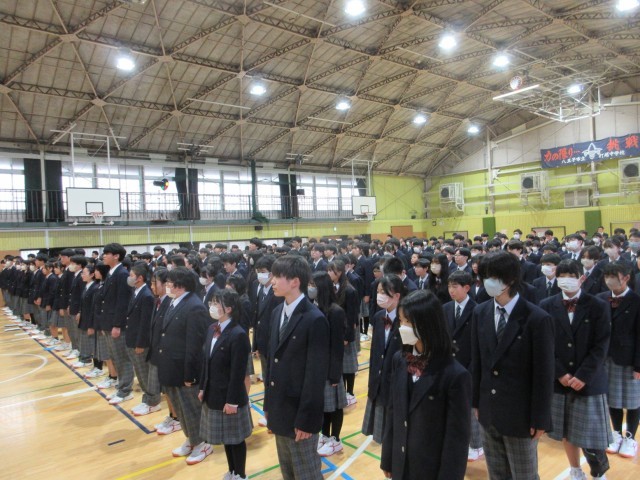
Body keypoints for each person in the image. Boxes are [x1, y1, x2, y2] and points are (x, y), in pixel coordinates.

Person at [471, 250, 554, 480]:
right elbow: (477, 362)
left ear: (511, 279)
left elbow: (544, 374)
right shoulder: (480, 312)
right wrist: (476, 401)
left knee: (524, 475)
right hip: (488, 411)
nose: (487, 282)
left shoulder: (537, 318)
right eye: (484, 276)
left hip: (521, 415)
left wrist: (540, 417)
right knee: (497, 474)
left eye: (493, 276)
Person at [381, 290, 471, 480]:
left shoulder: (455, 375)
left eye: (408, 322)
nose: (402, 327)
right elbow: (393, 410)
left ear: (426, 324)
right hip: (401, 463)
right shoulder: (399, 360)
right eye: (401, 321)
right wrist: (388, 457)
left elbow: (457, 438)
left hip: (430, 468)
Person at [540, 260, 612, 480]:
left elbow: (601, 345)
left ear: (582, 278)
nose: (566, 280)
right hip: (560, 381)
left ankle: (599, 471)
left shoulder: (598, 305)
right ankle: (575, 470)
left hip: (589, 379)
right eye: (562, 275)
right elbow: (544, 344)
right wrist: (560, 373)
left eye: (571, 275)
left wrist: (583, 375)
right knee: (567, 431)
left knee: (592, 433)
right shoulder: (546, 305)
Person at [263, 255, 330, 480]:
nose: (272, 281)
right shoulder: (277, 312)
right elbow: (272, 364)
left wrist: (306, 420)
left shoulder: (314, 319)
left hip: (300, 414)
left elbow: (315, 376)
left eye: (277, 276)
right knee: (288, 471)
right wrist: (268, 404)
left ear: (294, 281)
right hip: (280, 409)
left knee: (306, 473)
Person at [153, 267, 212, 465]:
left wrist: (190, 374)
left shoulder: (194, 306)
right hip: (171, 366)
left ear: (180, 285)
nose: (167, 285)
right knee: (180, 409)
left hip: (185, 370)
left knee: (191, 409)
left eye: (170, 282)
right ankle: (191, 438)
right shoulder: (173, 301)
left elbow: (195, 345)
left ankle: (202, 443)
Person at [199, 289, 252, 480]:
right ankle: (232, 471)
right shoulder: (211, 329)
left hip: (231, 396)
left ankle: (241, 474)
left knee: (236, 439)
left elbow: (238, 373)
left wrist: (232, 401)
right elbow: (206, 361)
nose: (212, 306)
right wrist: (203, 387)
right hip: (214, 393)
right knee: (226, 438)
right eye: (211, 302)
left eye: (216, 303)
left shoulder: (238, 334)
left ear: (228, 309)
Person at [598, 262, 640, 460]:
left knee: (633, 400)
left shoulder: (637, 301)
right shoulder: (601, 299)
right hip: (606, 356)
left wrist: (639, 364)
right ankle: (616, 433)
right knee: (612, 398)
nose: (609, 280)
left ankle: (630, 436)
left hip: (629, 358)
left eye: (613, 276)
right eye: (607, 276)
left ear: (626, 278)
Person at [362, 275, 407, 443]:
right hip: (378, 381)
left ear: (396, 296)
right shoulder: (378, 316)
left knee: (395, 435)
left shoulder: (407, 320)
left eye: (384, 292)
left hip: (396, 381)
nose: (379, 295)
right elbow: (375, 352)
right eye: (378, 291)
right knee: (381, 435)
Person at [444, 271, 483, 462]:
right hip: (450, 366)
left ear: (467, 288)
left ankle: (477, 445)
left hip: (469, 366)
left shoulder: (478, 310)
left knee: (471, 408)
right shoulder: (445, 308)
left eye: (455, 286)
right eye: (449, 286)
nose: (451, 290)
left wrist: (471, 368)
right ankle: (458, 441)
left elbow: (480, 344)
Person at [311, 271, 347, 457]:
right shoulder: (314, 308)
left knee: (335, 406)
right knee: (323, 405)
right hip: (318, 366)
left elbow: (337, 346)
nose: (310, 288)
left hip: (331, 367)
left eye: (313, 285)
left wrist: (334, 374)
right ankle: (324, 435)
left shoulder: (335, 311)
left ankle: (336, 439)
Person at [100, 243, 135, 405]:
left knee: (122, 358)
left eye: (107, 253)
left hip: (117, 324)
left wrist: (117, 325)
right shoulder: (111, 273)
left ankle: (125, 390)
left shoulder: (122, 274)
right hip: (108, 322)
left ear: (116, 256)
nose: (104, 256)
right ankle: (121, 386)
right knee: (114, 356)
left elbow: (123, 302)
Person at [125, 262, 161, 416]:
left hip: (140, 342)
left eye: (132, 275)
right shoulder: (136, 291)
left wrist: (140, 343)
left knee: (145, 373)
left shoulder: (146, 295)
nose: (129, 278)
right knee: (140, 373)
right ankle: (147, 399)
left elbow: (145, 323)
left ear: (139, 278)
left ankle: (153, 402)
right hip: (132, 338)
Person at [327, 259, 359, 407]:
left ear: (339, 272)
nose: (328, 273)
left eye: (331, 271)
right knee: (339, 364)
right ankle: (342, 391)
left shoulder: (349, 290)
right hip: (335, 330)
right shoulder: (331, 287)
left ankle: (350, 392)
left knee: (348, 366)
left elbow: (352, 316)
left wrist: (347, 336)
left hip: (345, 332)